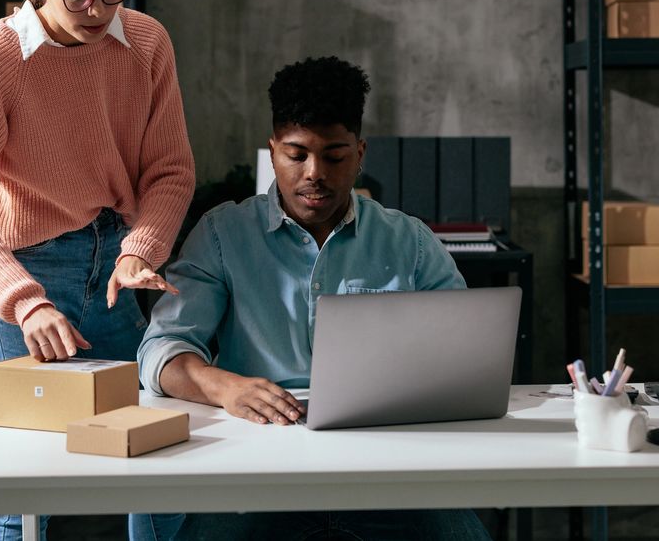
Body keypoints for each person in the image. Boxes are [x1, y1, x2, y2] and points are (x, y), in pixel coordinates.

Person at [137, 56, 491, 541]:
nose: (315, 173)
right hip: (254, 472)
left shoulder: (408, 240)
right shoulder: (223, 234)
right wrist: (226, 388)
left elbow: (467, 351)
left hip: (386, 471)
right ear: (272, 150)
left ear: (361, 152)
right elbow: (161, 352)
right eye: (296, 154)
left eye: (335, 155)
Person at [0, 0, 195, 541]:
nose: (97, 10)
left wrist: (142, 250)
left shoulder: (147, 42)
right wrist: (25, 304)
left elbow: (170, 171)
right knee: (26, 482)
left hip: (120, 271)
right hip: (26, 273)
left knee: (156, 462)